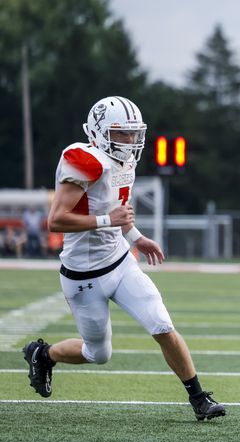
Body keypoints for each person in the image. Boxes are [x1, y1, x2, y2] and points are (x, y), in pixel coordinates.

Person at [23, 96, 225, 421]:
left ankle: (199, 398)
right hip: (83, 276)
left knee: (161, 324)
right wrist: (109, 221)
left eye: (133, 133)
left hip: (120, 262)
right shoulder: (83, 160)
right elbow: (56, 220)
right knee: (98, 354)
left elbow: (120, 211)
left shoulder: (125, 162)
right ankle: (43, 354)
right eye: (121, 134)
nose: (130, 141)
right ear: (100, 132)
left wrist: (136, 238)